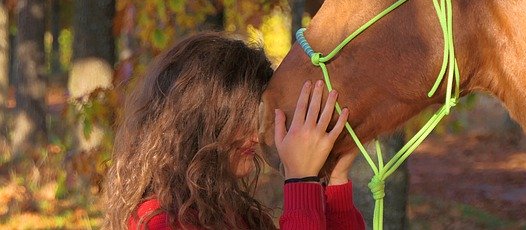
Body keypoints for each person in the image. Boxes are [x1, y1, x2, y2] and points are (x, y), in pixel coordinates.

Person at [102, 32, 364, 229]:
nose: (255, 135)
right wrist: (300, 181)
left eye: (259, 117)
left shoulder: (235, 214)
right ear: (201, 120)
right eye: (242, 117)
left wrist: (334, 183)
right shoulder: (159, 221)